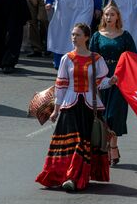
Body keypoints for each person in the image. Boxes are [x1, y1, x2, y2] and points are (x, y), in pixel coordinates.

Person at [36, 23, 117, 191]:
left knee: (82, 142)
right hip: (70, 105)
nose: (74, 37)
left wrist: (110, 81)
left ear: (86, 37)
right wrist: (56, 110)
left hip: (89, 106)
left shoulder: (96, 59)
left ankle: (74, 177)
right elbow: (61, 85)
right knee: (72, 143)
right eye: (73, 34)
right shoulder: (67, 59)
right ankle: (66, 176)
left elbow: (100, 82)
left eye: (77, 35)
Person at [90, 3, 136, 166]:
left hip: (119, 79)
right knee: (102, 117)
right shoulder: (96, 36)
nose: (109, 18)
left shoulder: (125, 36)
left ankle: (113, 145)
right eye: (106, 15)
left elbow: (133, 59)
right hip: (101, 79)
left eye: (112, 15)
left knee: (114, 116)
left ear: (118, 17)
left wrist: (122, 75)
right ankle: (106, 146)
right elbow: (91, 59)